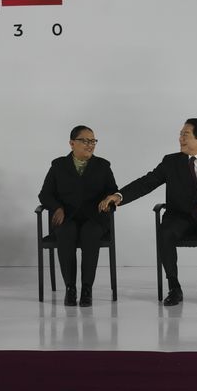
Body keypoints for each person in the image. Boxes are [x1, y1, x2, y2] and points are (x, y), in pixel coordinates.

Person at [100, 118, 197, 306]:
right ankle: (174, 287)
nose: (180, 138)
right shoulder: (170, 162)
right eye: (180, 134)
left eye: (185, 135)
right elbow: (146, 182)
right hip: (178, 217)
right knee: (165, 231)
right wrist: (119, 196)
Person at [38, 126, 118, 307]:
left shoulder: (103, 166)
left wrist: (108, 199)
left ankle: (87, 289)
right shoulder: (58, 165)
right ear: (72, 143)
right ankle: (70, 288)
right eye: (85, 141)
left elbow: (112, 191)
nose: (90, 145)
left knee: (90, 233)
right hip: (66, 217)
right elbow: (45, 194)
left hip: (95, 218)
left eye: (93, 141)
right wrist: (57, 207)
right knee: (66, 232)